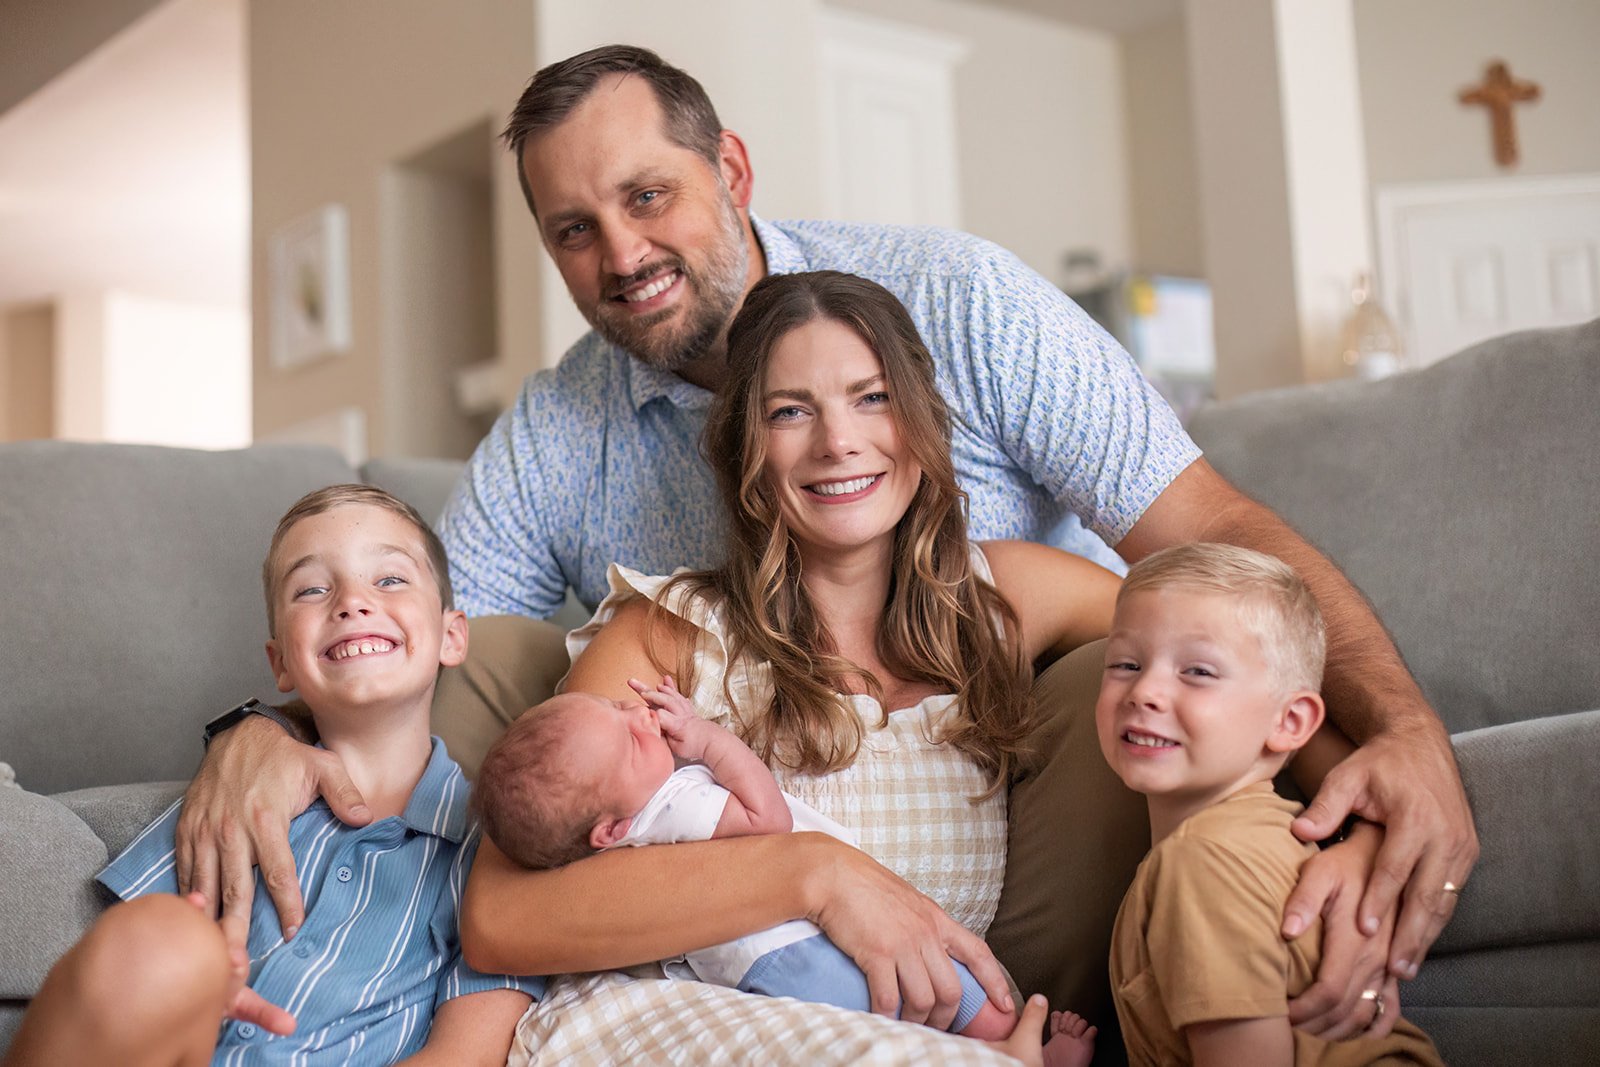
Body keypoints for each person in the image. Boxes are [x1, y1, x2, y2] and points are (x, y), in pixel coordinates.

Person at [180, 43, 1476, 1041]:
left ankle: (1001, 1015)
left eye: (649, 196)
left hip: (1017, 788)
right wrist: (273, 725)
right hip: (741, 892)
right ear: (739, 452)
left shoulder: (963, 311)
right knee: (524, 661)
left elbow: (1218, 556)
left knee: (1119, 656)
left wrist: (1378, 759)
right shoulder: (598, 493)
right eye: (575, 228)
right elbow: (426, 645)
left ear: (731, 173)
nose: (621, 252)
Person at [3, 486, 541, 1067]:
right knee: (157, 936)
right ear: (280, 661)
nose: (352, 601)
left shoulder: (490, 847)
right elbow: (121, 978)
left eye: (389, 580)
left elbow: (466, 1053)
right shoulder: (229, 802)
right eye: (313, 589)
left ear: (452, 635)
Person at [473, 675, 1097, 1064]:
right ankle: (1017, 1047)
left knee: (902, 1022)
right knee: (938, 982)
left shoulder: (622, 832)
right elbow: (765, 822)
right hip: (797, 945)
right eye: (631, 739)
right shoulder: (676, 807)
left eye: (619, 706)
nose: (642, 717)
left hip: (754, 971)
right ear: (607, 831)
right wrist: (709, 741)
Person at [1098, 543, 1442, 1065]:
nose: (1145, 690)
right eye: (1126, 663)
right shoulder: (1246, 841)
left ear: (1290, 723)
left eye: (1198, 672)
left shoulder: (1202, 862)